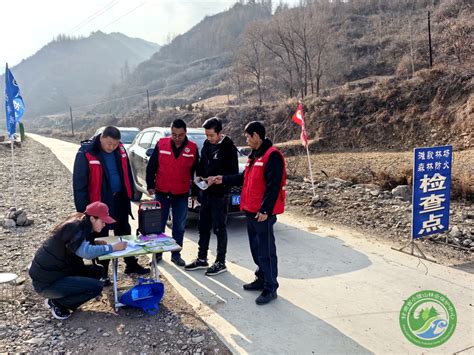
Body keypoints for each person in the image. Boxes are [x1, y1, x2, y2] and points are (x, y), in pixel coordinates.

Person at [209, 121, 286, 305]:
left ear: (256, 136)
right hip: (251, 211)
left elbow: (273, 186)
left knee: (266, 251)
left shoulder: (272, 156)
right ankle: (261, 278)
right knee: (256, 249)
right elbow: (244, 178)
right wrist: (223, 179)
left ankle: (270, 287)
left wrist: (265, 210)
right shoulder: (255, 155)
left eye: (247, 136)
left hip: (262, 213)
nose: (246, 139)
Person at [73, 126, 149, 283]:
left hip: (119, 198)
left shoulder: (120, 149)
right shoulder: (86, 152)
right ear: (101, 138)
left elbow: (126, 171)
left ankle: (130, 264)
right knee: (101, 235)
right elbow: (79, 185)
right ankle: (102, 272)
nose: (112, 147)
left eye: (115, 144)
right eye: (109, 144)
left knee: (124, 231)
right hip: (99, 201)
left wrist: (130, 193)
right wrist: (83, 211)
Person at [29, 201, 128, 320]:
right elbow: (86, 253)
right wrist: (112, 247)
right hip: (46, 283)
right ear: (92, 219)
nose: (104, 225)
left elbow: (75, 245)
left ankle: (63, 296)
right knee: (96, 287)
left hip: (57, 272)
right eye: (102, 221)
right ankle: (58, 303)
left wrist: (94, 243)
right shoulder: (75, 227)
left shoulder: (80, 222)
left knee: (98, 271)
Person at [184, 117, 239, 276]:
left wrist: (218, 179)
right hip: (205, 193)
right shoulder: (207, 145)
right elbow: (201, 167)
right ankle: (202, 259)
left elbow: (233, 174)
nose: (209, 139)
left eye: (211, 135)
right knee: (203, 226)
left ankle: (221, 262)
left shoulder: (229, 148)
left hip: (220, 195)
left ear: (220, 133)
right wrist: (198, 183)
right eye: (207, 135)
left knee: (219, 228)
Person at [146, 119, 199, 266]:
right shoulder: (161, 144)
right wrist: (150, 184)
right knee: (158, 225)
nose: (177, 138)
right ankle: (157, 254)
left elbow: (196, 172)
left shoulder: (193, 148)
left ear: (185, 133)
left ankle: (176, 254)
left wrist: (195, 192)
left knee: (179, 226)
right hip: (162, 191)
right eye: (174, 135)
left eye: (180, 135)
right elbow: (152, 166)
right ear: (171, 132)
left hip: (181, 193)